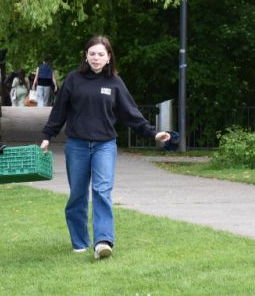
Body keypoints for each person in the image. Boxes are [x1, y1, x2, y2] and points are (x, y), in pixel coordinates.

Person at [40, 36, 170, 260]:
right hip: (77, 146)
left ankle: (103, 241)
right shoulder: (73, 80)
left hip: (105, 146)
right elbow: (58, 111)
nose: (96, 58)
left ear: (109, 57)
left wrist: (152, 133)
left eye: (101, 54)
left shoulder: (115, 83)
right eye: (92, 54)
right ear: (86, 56)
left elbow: (131, 114)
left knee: (102, 190)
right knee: (78, 194)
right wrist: (47, 136)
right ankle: (80, 242)